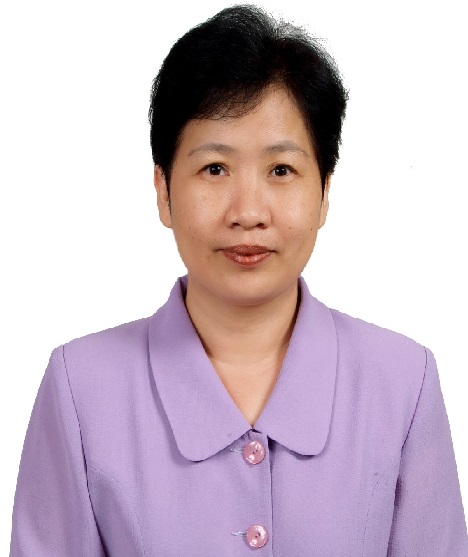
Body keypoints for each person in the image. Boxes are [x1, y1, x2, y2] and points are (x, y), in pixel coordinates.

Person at [9, 5, 468, 556]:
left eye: (281, 170)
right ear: (163, 190)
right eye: (215, 169)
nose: (248, 212)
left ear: (324, 192)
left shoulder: (403, 383)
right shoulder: (80, 388)